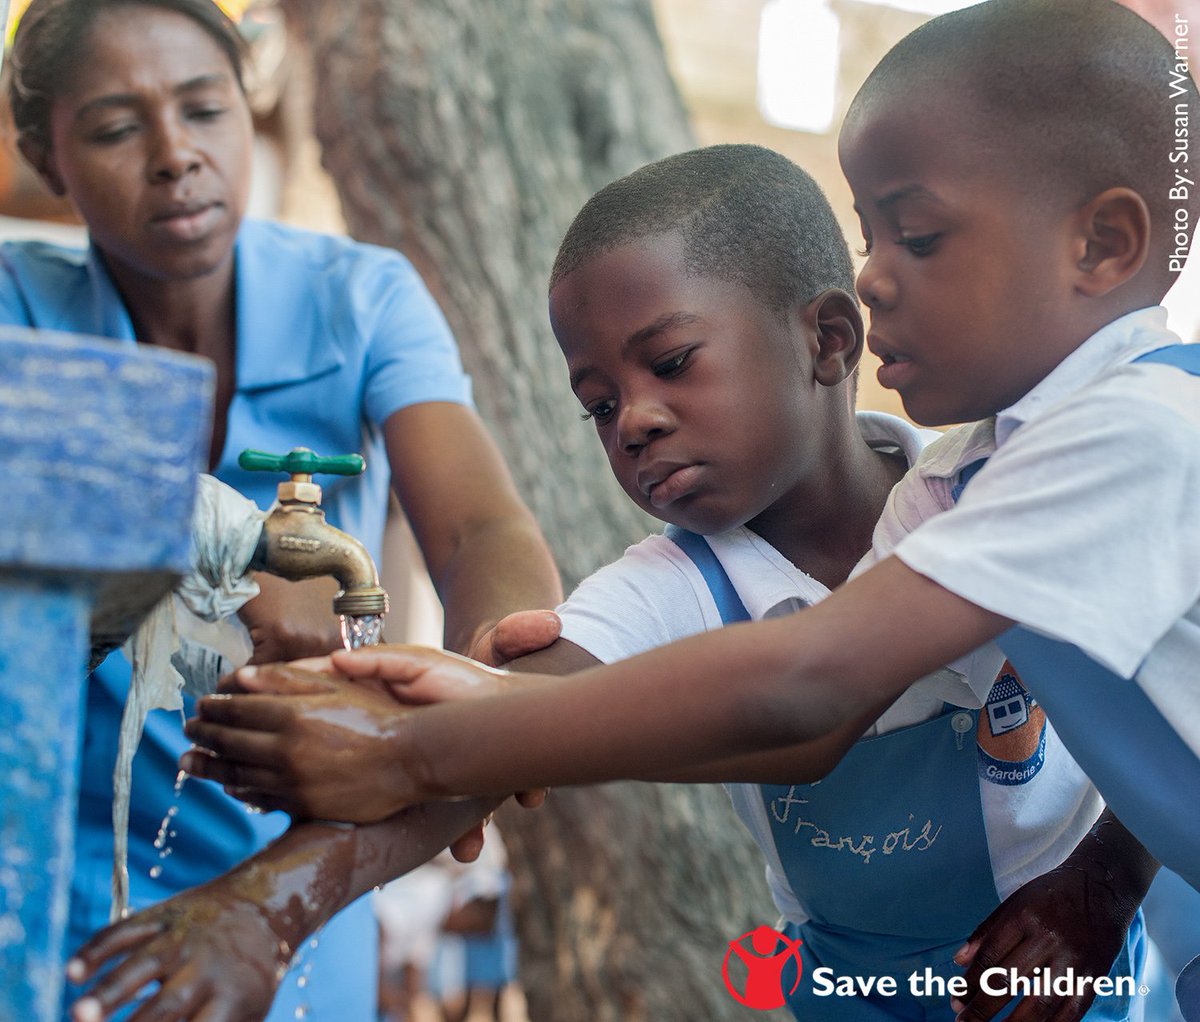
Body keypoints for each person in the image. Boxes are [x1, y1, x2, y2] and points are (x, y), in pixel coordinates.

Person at [183, 145, 1154, 1022]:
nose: (634, 420)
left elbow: (1172, 701)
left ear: (826, 340)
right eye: (598, 405)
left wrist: (1105, 876)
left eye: (673, 363)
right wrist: (268, 904)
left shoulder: (990, 496)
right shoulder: (671, 588)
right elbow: (500, 731)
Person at [0, 1, 561, 1020]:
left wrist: (489, 708)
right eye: (120, 129)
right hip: (52, 858)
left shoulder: (361, 299)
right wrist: (235, 557)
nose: (177, 156)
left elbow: (483, 532)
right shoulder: (15, 308)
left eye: (205, 109)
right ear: (46, 155)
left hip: (298, 872)